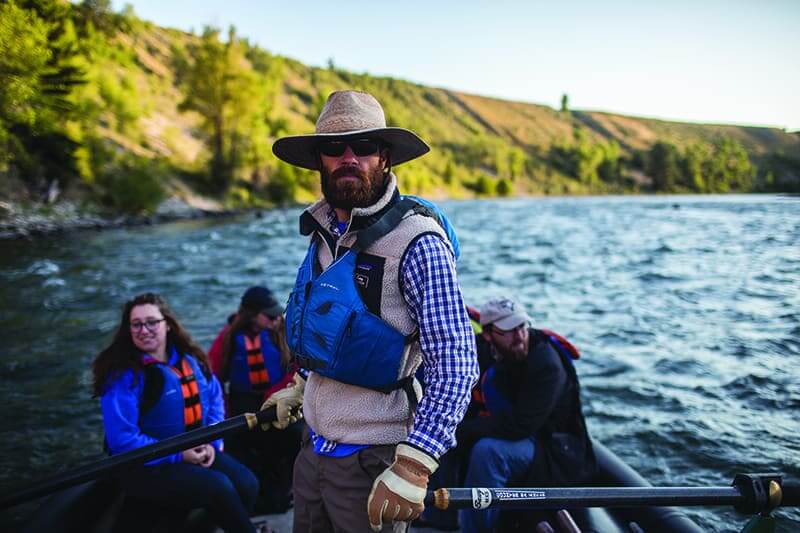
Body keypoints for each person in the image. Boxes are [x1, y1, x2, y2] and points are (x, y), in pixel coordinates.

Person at [272, 90, 479, 532]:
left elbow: (457, 364)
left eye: (363, 146)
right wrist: (301, 384)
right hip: (312, 455)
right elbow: (332, 333)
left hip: (373, 463)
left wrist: (415, 464)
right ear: (319, 160)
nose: (349, 157)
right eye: (334, 147)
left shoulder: (418, 242)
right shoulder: (323, 233)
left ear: (384, 157)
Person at [91, 292, 276, 533]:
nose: (144, 330)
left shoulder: (190, 360)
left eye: (151, 322)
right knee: (218, 487)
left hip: (196, 449)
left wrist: (212, 442)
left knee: (247, 483)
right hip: (145, 465)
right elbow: (121, 439)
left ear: (166, 325)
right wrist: (180, 455)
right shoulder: (122, 377)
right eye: (136, 324)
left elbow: (214, 400)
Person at [455, 297, 597, 533]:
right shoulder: (484, 349)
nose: (519, 336)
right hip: (524, 434)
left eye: (522, 327)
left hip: (553, 448)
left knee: (487, 452)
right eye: (509, 330)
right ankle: (438, 518)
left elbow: (520, 426)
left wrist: (464, 430)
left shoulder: (546, 363)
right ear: (489, 334)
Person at [208, 285, 302, 513]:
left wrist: (278, 392)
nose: (276, 319)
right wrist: (223, 410)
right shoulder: (229, 338)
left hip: (277, 402)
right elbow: (212, 378)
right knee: (237, 445)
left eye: (277, 313)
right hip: (244, 406)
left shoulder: (282, 332)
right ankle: (259, 492)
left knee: (296, 435)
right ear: (251, 315)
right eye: (269, 315)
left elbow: (297, 369)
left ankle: (286, 487)